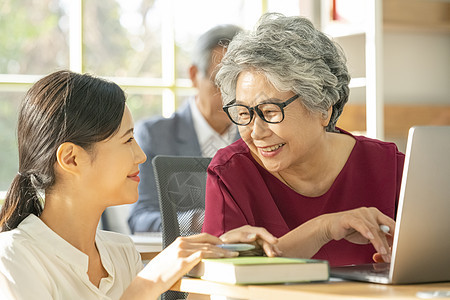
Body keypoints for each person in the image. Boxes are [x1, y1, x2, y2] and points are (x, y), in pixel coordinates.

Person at [0, 70, 280, 299]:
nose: (142, 155)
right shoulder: (12, 258)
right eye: (127, 140)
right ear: (72, 158)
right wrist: (149, 282)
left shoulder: (120, 252)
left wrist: (211, 259)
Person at [202, 13, 405, 267]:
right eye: (244, 113)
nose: (256, 132)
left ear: (323, 109)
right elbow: (217, 283)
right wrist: (323, 228)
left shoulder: (392, 168)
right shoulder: (231, 172)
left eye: (270, 112)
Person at [128, 24, 242, 233]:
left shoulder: (255, 136)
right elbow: (139, 219)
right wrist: (197, 221)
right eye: (219, 83)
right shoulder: (154, 136)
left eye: (237, 85)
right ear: (193, 75)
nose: (230, 98)